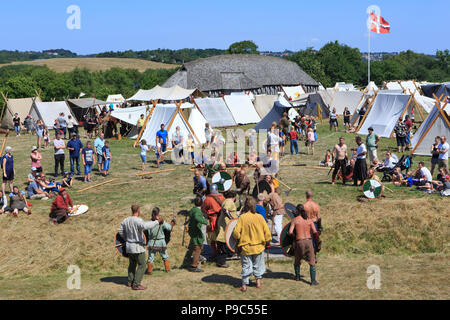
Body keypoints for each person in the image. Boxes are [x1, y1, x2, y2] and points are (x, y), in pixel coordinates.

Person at [118, 204, 162, 290]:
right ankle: (136, 284)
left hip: (129, 246)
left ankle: (130, 282)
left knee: (132, 264)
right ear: (138, 210)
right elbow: (145, 226)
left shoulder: (126, 220)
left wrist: (126, 238)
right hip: (137, 247)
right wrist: (157, 222)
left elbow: (120, 230)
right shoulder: (138, 220)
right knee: (142, 265)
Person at [233, 197, 271, 292]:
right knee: (258, 265)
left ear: (246, 206)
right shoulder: (260, 217)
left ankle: (244, 285)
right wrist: (268, 241)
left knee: (246, 265)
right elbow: (267, 233)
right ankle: (258, 282)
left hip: (246, 248)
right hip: (258, 246)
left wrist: (237, 239)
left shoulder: (242, 217)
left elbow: (236, 233)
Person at [288, 204, 320, 285]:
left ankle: (297, 276)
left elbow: (290, 232)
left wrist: (294, 237)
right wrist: (317, 242)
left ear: (297, 211)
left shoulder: (295, 220)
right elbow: (315, 233)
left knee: (297, 260)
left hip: (300, 242)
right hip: (309, 242)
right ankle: (313, 281)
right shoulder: (309, 220)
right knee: (312, 261)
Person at [182, 196, 209, 272]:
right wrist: (205, 222)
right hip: (196, 231)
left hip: (194, 230)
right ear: (202, 203)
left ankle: (197, 258)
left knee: (200, 246)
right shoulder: (197, 211)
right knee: (197, 248)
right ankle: (194, 265)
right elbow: (197, 217)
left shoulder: (193, 209)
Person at [145, 207, 175, 275]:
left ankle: (149, 271)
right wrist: (172, 223)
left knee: (151, 257)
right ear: (158, 213)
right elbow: (169, 228)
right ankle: (167, 269)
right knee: (165, 256)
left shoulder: (148, 222)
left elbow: (143, 230)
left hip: (152, 242)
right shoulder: (161, 222)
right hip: (161, 242)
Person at [201, 184, 226, 261]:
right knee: (219, 236)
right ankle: (218, 251)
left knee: (212, 238)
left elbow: (203, 210)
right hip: (221, 219)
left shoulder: (207, 199)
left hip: (212, 220)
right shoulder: (222, 197)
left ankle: (215, 253)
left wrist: (206, 216)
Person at [215, 190, 238, 268]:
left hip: (226, 225)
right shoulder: (229, 202)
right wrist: (231, 218)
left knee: (226, 242)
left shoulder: (226, 201)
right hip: (226, 226)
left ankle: (230, 253)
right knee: (224, 243)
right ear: (234, 197)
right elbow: (225, 210)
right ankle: (221, 262)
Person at [303, 190, 322, 254]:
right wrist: (319, 228)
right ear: (312, 196)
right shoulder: (316, 205)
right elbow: (319, 218)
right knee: (314, 240)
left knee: (307, 240)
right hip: (315, 224)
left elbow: (302, 217)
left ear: (306, 196)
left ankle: (308, 254)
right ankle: (313, 255)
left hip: (307, 224)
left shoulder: (304, 206)